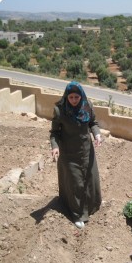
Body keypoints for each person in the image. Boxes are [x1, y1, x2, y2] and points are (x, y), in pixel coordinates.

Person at [50, 81, 103, 229]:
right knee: (75, 183)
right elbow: (54, 133)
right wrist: (55, 147)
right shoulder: (60, 110)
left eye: (76, 97)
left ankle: (92, 206)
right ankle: (78, 214)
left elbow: (93, 122)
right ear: (66, 96)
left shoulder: (88, 106)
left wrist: (97, 135)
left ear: (81, 96)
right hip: (68, 153)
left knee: (90, 179)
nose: (74, 100)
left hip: (87, 150)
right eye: (71, 97)